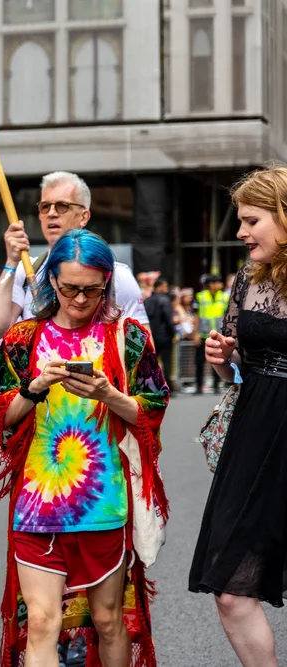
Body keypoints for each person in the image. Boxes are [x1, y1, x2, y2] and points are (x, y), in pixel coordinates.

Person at [0, 229, 168, 667]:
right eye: (69, 289)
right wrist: (34, 387)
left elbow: (153, 409)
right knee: (43, 622)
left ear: (107, 284)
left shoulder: (128, 336)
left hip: (105, 505)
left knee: (108, 620)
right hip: (37, 505)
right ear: (51, 282)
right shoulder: (23, 338)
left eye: (92, 290)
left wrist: (109, 395)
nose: (80, 300)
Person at [189, 167, 287, 666]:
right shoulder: (248, 278)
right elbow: (240, 369)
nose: (241, 232)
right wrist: (222, 359)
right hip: (255, 431)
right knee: (229, 586)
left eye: (252, 220)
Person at [0, 171, 148, 341]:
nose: (51, 213)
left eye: (62, 206)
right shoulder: (25, 269)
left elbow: (143, 348)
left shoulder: (118, 276)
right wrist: (11, 262)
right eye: (45, 206)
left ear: (84, 216)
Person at [193, 274, 229, 394]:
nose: (220, 285)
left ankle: (216, 384)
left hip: (218, 335)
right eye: (218, 282)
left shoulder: (225, 297)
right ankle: (199, 385)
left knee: (217, 360)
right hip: (203, 334)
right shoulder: (200, 296)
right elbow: (196, 316)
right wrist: (195, 333)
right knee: (199, 361)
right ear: (211, 284)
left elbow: (228, 316)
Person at [144, 277, 178, 393]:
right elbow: (169, 319)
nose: (166, 288)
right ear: (158, 287)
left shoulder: (147, 301)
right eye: (165, 286)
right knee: (167, 361)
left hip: (151, 335)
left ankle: (151, 385)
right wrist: (174, 333)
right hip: (164, 336)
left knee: (151, 361)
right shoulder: (165, 300)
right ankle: (167, 386)